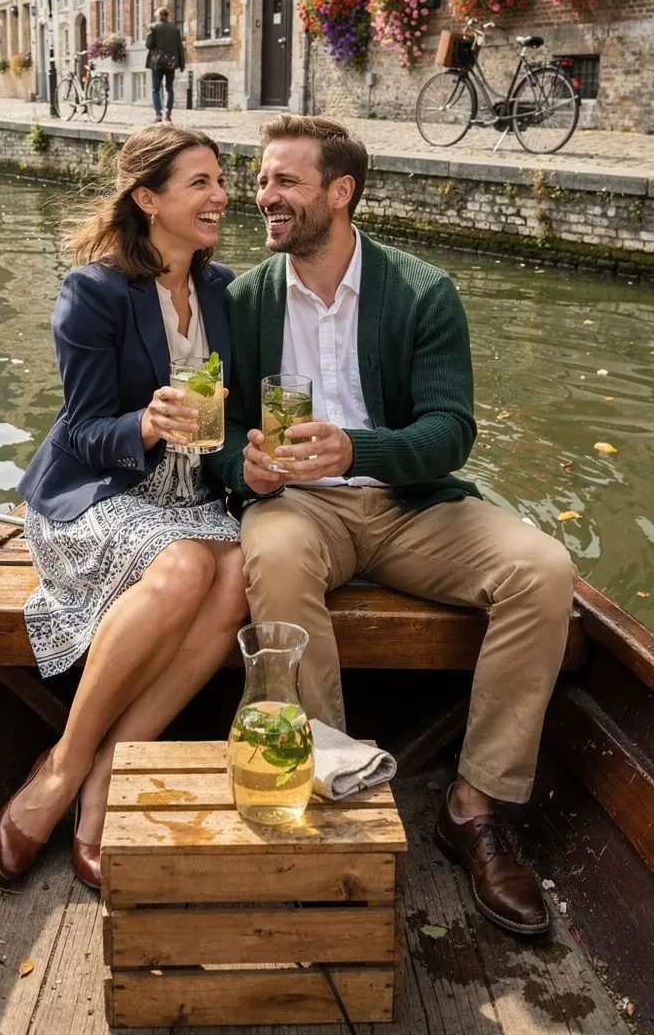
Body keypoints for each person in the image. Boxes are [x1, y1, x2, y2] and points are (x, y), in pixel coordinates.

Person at [207, 112, 577, 939]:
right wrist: (245, 467)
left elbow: (451, 430)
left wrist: (357, 444)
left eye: (285, 182)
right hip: (303, 508)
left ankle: (473, 805)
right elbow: (220, 433)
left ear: (340, 193)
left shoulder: (421, 291)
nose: (264, 196)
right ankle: (332, 773)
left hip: (412, 504)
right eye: (262, 180)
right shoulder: (244, 300)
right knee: (270, 548)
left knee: (544, 569)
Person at [0, 125, 246, 890]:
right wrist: (148, 421)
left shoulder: (225, 289)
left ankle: (110, 770)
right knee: (185, 569)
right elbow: (82, 428)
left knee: (237, 575)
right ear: (148, 199)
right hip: (97, 493)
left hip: (188, 495)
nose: (220, 196)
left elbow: (238, 418)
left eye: (221, 180)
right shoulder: (95, 291)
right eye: (199, 182)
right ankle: (63, 768)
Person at [145, 6, 185, 124]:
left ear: (158, 15)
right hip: (171, 63)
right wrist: (182, 64)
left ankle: (158, 114)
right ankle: (168, 113)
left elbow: (149, 45)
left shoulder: (153, 27)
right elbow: (180, 48)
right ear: (167, 16)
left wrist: (149, 34)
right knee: (169, 88)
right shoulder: (175, 29)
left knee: (156, 89)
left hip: (157, 63)